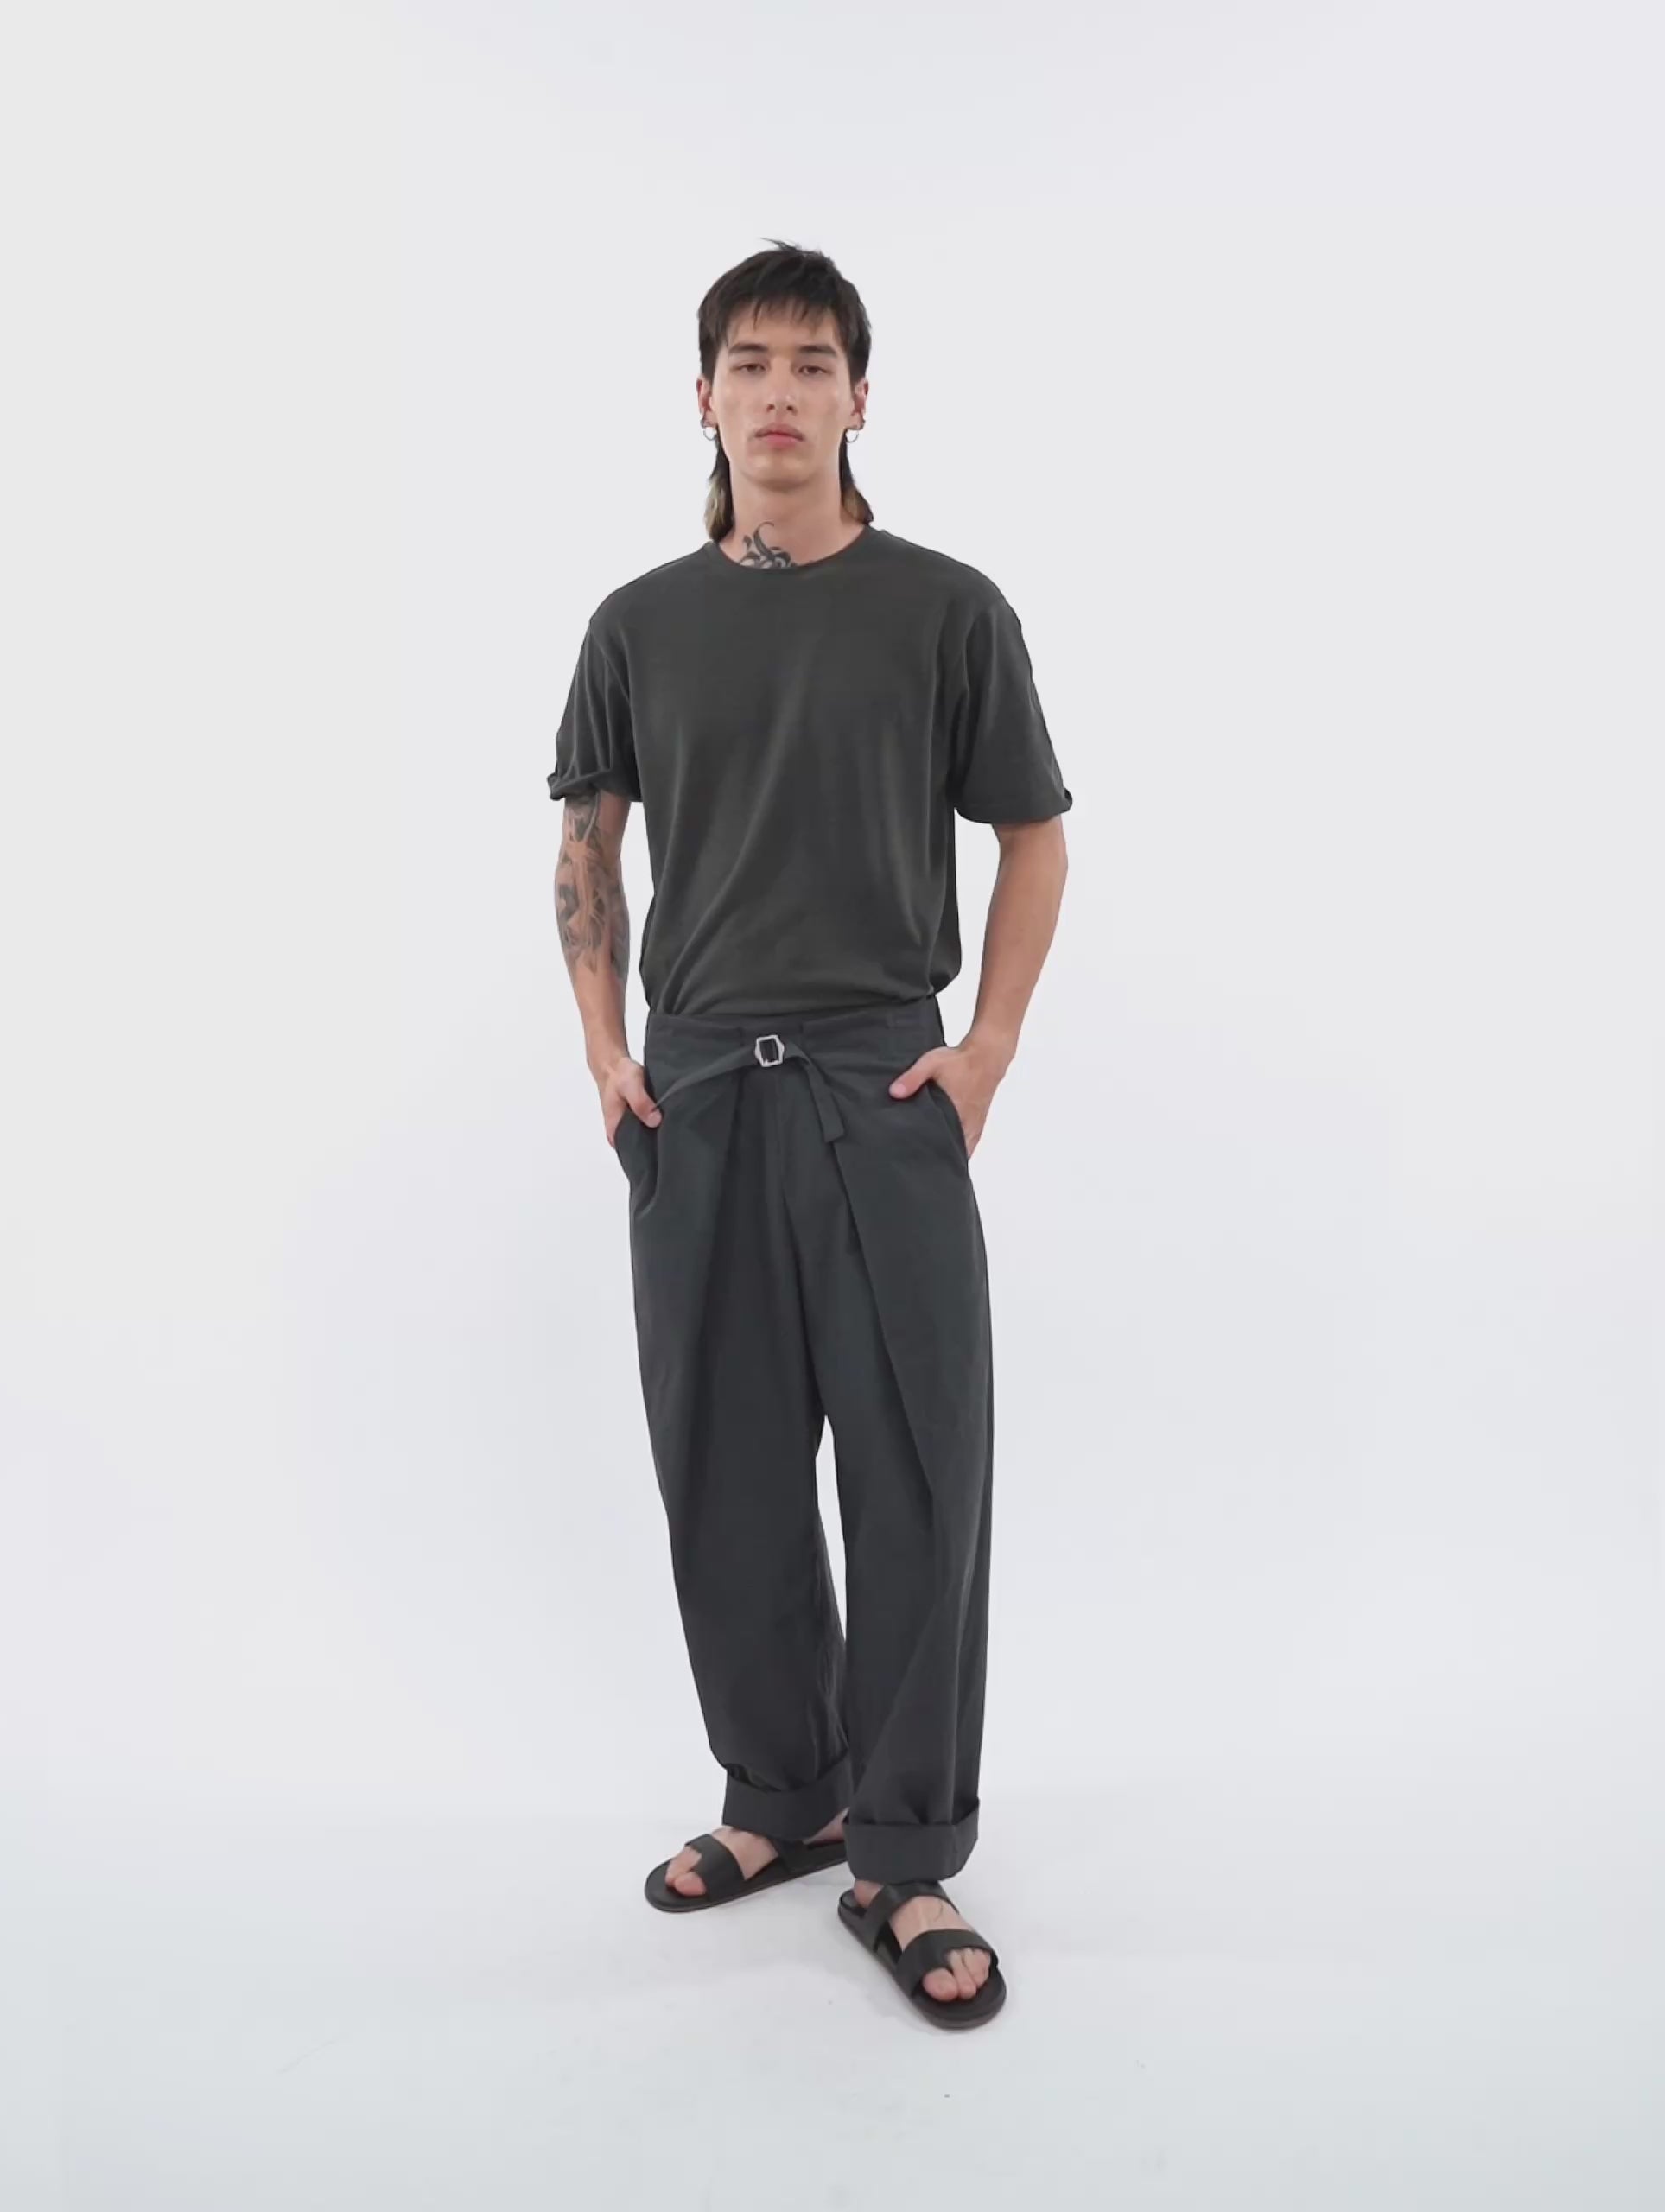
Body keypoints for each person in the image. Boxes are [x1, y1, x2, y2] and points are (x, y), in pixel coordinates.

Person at [548, 241, 1071, 2029]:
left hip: (879, 1083)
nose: (781, 392)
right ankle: (783, 1794)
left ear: (860, 396)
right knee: (726, 1461)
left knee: (918, 1467)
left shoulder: (945, 610)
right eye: (750, 363)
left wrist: (985, 1049)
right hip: (695, 1091)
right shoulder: (636, 623)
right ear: (702, 399)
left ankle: (904, 1848)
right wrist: (606, 1050)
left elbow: (1033, 833)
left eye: (814, 362)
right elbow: (586, 841)